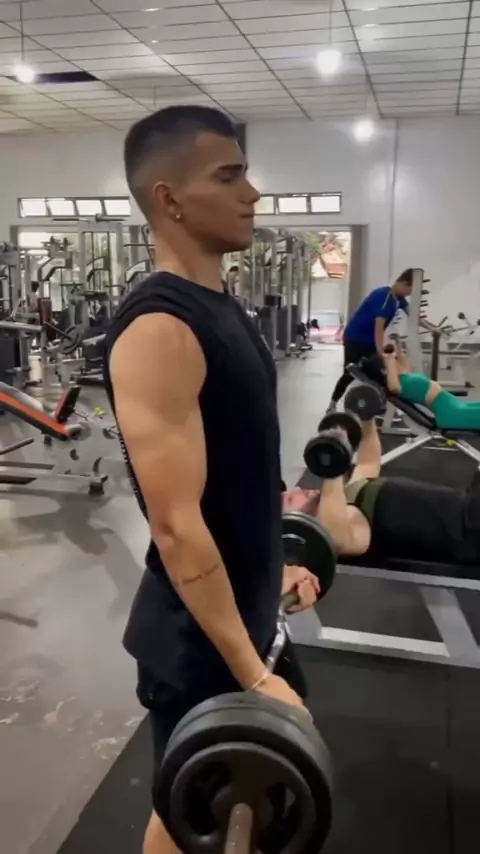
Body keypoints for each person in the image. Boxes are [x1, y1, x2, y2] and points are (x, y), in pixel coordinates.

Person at [102, 105, 320, 854]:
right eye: (229, 177)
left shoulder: (221, 305)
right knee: (192, 816)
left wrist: (273, 561)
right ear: (169, 199)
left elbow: (239, 473)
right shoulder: (160, 328)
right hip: (201, 643)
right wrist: (252, 674)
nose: (252, 194)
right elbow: (176, 525)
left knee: (231, 808)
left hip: (242, 611)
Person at [294, 416, 480, 566]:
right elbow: (336, 538)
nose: (298, 489)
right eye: (289, 499)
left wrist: (366, 419)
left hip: (470, 503)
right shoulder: (349, 526)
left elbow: (368, 462)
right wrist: (331, 470)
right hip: (469, 530)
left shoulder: (349, 493)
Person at [325, 268, 435, 413]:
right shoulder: (384, 296)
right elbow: (379, 327)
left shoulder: (399, 300)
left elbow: (415, 317)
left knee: (380, 373)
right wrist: (381, 352)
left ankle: (383, 406)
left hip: (369, 340)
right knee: (350, 372)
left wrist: (433, 328)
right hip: (355, 338)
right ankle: (332, 405)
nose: (409, 294)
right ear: (404, 284)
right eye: (410, 290)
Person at [383, 343, 480, 430]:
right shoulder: (396, 383)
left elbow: (402, 359)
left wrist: (396, 343)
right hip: (449, 413)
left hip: (452, 405)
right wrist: (390, 358)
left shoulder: (404, 375)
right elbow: (394, 387)